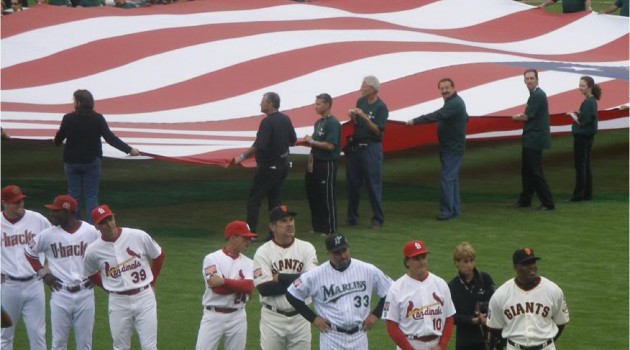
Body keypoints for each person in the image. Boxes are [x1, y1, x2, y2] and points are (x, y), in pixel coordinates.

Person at [286, 234, 393, 350]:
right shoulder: (315, 275)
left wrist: (376, 315)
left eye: (345, 250)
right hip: (331, 336)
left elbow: (392, 291)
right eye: (337, 253)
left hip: (359, 336)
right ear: (328, 254)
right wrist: (313, 319)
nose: (343, 256)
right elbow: (291, 294)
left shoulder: (368, 270)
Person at [84, 204, 166, 350]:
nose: (109, 224)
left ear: (114, 217)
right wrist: (108, 287)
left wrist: (152, 281)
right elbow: (90, 274)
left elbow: (159, 255)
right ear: (96, 226)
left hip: (144, 297)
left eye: (110, 219)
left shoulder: (137, 235)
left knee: (149, 346)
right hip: (118, 301)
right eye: (103, 222)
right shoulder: (93, 250)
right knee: (120, 347)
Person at [24, 194, 99, 350]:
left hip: (85, 294)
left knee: (85, 344)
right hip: (60, 294)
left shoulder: (90, 231)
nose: (52, 214)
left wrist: (97, 275)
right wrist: (43, 273)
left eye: (56, 211)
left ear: (68, 212)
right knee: (58, 343)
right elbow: (29, 252)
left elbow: (105, 252)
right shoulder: (48, 234)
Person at [53, 89, 140, 223]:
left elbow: (59, 138)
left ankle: (73, 225)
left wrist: (57, 141)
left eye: (74, 100)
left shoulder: (68, 118)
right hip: (91, 162)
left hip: (72, 162)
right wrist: (129, 149)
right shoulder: (97, 118)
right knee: (91, 196)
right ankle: (91, 227)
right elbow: (110, 138)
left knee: (73, 195)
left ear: (78, 102)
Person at [252, 205, 318, 350]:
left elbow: (312, 281)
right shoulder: (263, 252)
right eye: (283, 221)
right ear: (272, 226)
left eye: (291, 219)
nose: (290, 224)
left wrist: (280, 277)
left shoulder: (307, 248)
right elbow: (265, 288)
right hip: (273, 318)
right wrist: (298, 282)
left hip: (301, 317)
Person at [233, 92, 297, 234]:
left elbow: (259, 145)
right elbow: (293, 140)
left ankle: (252, 232)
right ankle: (276, 233)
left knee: (254, 200)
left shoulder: (267, 122)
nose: (260, 104)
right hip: (283, 166)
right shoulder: (286, 119)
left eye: (262, 101)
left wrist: (242, 157)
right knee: (275, 202)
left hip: (268, 167)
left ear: (270, 104)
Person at [406, 78, 468, 221]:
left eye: (447, 88)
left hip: (452, 148)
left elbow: (437, 115)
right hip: (450, 147)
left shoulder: (455, 103)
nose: (444, 91)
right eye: (442, 88)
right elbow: (466, 117)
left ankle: (447, 211)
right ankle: (454, 210)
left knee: (447, 179)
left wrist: (415, 121)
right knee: (452, 180)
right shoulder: (455, 103)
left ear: (453, 88)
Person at [487, 248, 570, 350]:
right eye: (526, 263)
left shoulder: (553, 290)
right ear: (516, 267)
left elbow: (561, 322)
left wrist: (545, 342)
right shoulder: (501, 294)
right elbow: (494, 327)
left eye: (533, 262)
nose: (532, 267)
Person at [1, 185, 50, 350]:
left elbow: (55, 242)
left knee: (38, 334)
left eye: (21, 201)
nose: (20, 205)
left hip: (34, 284)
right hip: (7, 286)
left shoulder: (37, 219)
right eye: (15, 202)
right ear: (3, 203)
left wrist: (49, 266)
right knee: (4, 334)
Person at [383, 240, 456, 350]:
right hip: (409, 344)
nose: (421, 262)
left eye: (423, 257)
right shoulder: (396, 289)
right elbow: (391, 326)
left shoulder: (440, 284)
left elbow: (449, 318)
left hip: (435, 345)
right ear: (407, 262)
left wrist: (441, 346)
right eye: (416, 259)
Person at [195, 220, 257, 350]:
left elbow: (249, 286)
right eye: (245, 238)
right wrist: (240, 285)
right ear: (233, 237)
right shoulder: (211, 259)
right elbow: (217, 289)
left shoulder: (249, 262)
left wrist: (224, 281)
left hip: (238, 316)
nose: (249, 241)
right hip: (213, 316)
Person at [346, 75, 389, 229]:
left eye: (364, 86)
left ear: (372, 89)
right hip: (357, 147)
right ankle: (352, 216)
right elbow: (357, 124)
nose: (361, 88)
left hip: (371, 147)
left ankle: (377, 218)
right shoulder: (361, 101)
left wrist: (364, 117)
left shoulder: (381, 107)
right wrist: (354, 117)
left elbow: (378, 131)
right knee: (353, 183)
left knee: (373, 184)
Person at [511, 69, 555, 211]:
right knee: (527, 171)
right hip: (531, 138)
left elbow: (527, 116)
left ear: (537, 79)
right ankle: (525, 199)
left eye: (531, 78)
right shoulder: (535, 95)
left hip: (534, 139)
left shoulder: (538, 95)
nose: (529, 81)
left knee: (535, 171)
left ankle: (547, 202)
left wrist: (515, 117)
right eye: (527, 78)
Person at [304, 93, 341, 236]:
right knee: (314, 194)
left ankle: (330, 228)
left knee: (327, 196)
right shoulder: (318, 123)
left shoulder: (333, 123)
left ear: (327, 104)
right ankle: (317, 226)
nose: (316, 107)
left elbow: (331, 145)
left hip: (327, 163)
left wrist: (312, 142)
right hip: (315, 162)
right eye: (315, 104)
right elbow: (315, 140)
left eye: (318, 104)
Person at [447, 243, 496, 350]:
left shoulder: (485, 279)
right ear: (457, 262)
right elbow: (452, 317)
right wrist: (472, 320)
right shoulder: (452, 287)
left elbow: (496, 303)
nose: (469, 265)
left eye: (471, 261)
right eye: (465, 261)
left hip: (486, 341)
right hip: (465, 343)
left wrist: (487, 315)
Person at [566, 76, 600, 202]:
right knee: (585, 165)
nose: (580, 88)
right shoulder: (591, 101)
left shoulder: (589, 102)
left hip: (582, 137)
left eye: (583, 86)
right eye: (580, 85)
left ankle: (578, 195)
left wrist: (572, 115)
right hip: (587, 137)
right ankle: (587, 193)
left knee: (580, 166)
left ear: (589, 87)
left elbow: (582, 121)